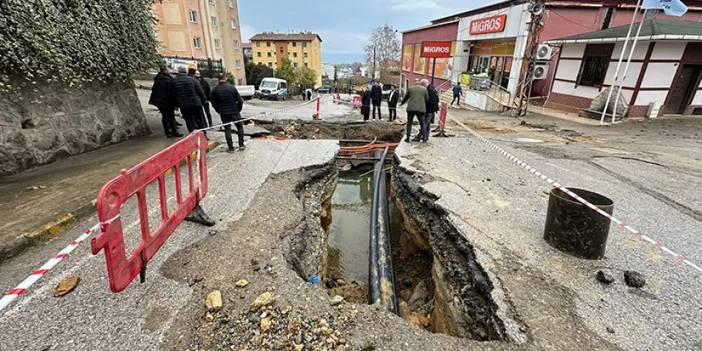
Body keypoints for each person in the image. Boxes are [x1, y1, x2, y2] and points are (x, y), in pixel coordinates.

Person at [211, 74, 245, 152]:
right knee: (239, 127)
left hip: (224, 113)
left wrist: (218, 110)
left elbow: (213, 103)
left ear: (218, 79)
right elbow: (240, 100)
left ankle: (231, 148)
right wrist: (239, 109)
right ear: (225, 78)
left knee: (227, 129)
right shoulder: (232, 88)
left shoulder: (215, 90)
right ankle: (241, 145)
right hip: (234, 111)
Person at [149, 67, 182, 138]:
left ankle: (168, 132)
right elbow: (172, 92)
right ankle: (174, 132)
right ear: (165, 71)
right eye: (168, 70)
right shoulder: (169, 80)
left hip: (159, 101)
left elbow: (154, 90)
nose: (170, 71)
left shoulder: (157, 79)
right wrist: (176, 103)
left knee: (165, 116)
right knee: (171, 116)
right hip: (168, 101)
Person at [173, 66, 207, 133]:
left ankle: (193, 135)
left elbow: (173, 94)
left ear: (178, 72)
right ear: (186, 72)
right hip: (196, 104)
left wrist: (176, 105)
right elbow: (200, 91)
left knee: (189, 121)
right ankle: (203, 135)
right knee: (199, 120)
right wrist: (204, 100)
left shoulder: (174, 81)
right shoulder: (193, 80)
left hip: (184, 105)